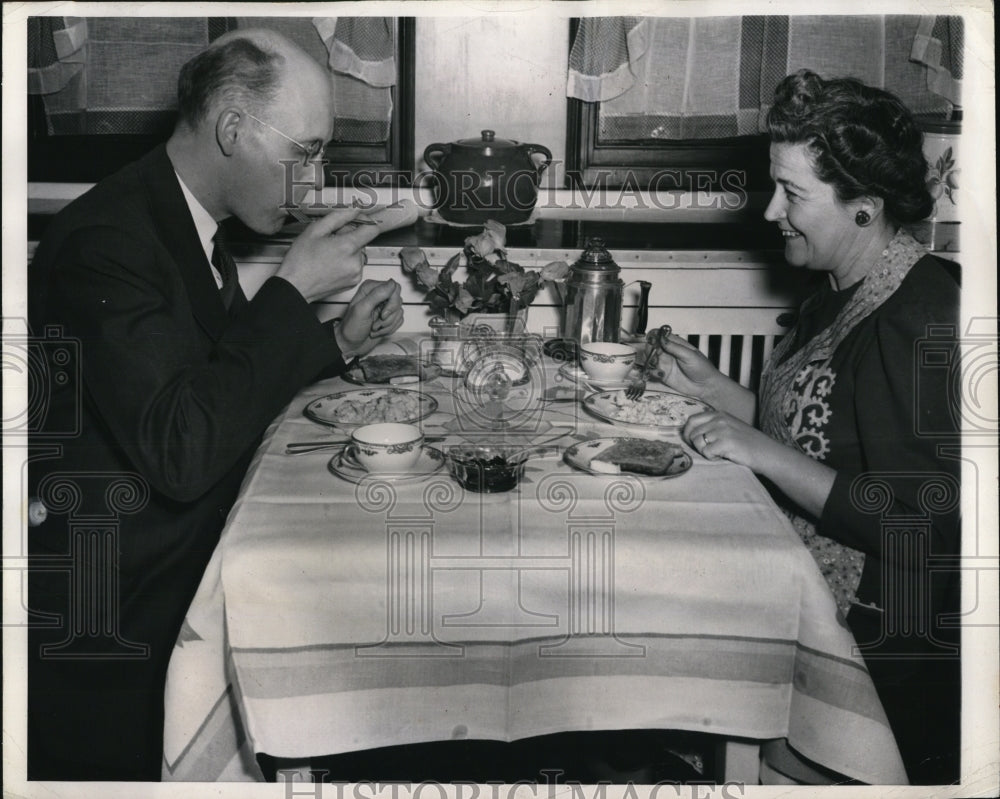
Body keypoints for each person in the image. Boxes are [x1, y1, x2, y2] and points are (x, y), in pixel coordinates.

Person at [27, 30, 408, 781]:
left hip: (174, 553)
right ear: (233, 129)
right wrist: (292, 289)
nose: (315, 182)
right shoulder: (105, 240)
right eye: (305, 154)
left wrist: (334, 341)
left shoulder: (178, 215)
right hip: (121, 610)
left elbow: (213, 377)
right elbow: (183, 444)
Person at [655, 70, 960, 784]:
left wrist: (756, 448)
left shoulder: (921, 317)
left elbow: (925, 525)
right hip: (802, 579)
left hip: (877, 650)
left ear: (865, 207)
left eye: (791, 194)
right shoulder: (837, 289)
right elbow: (818, 434)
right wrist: (719, 391)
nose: (769, 213)